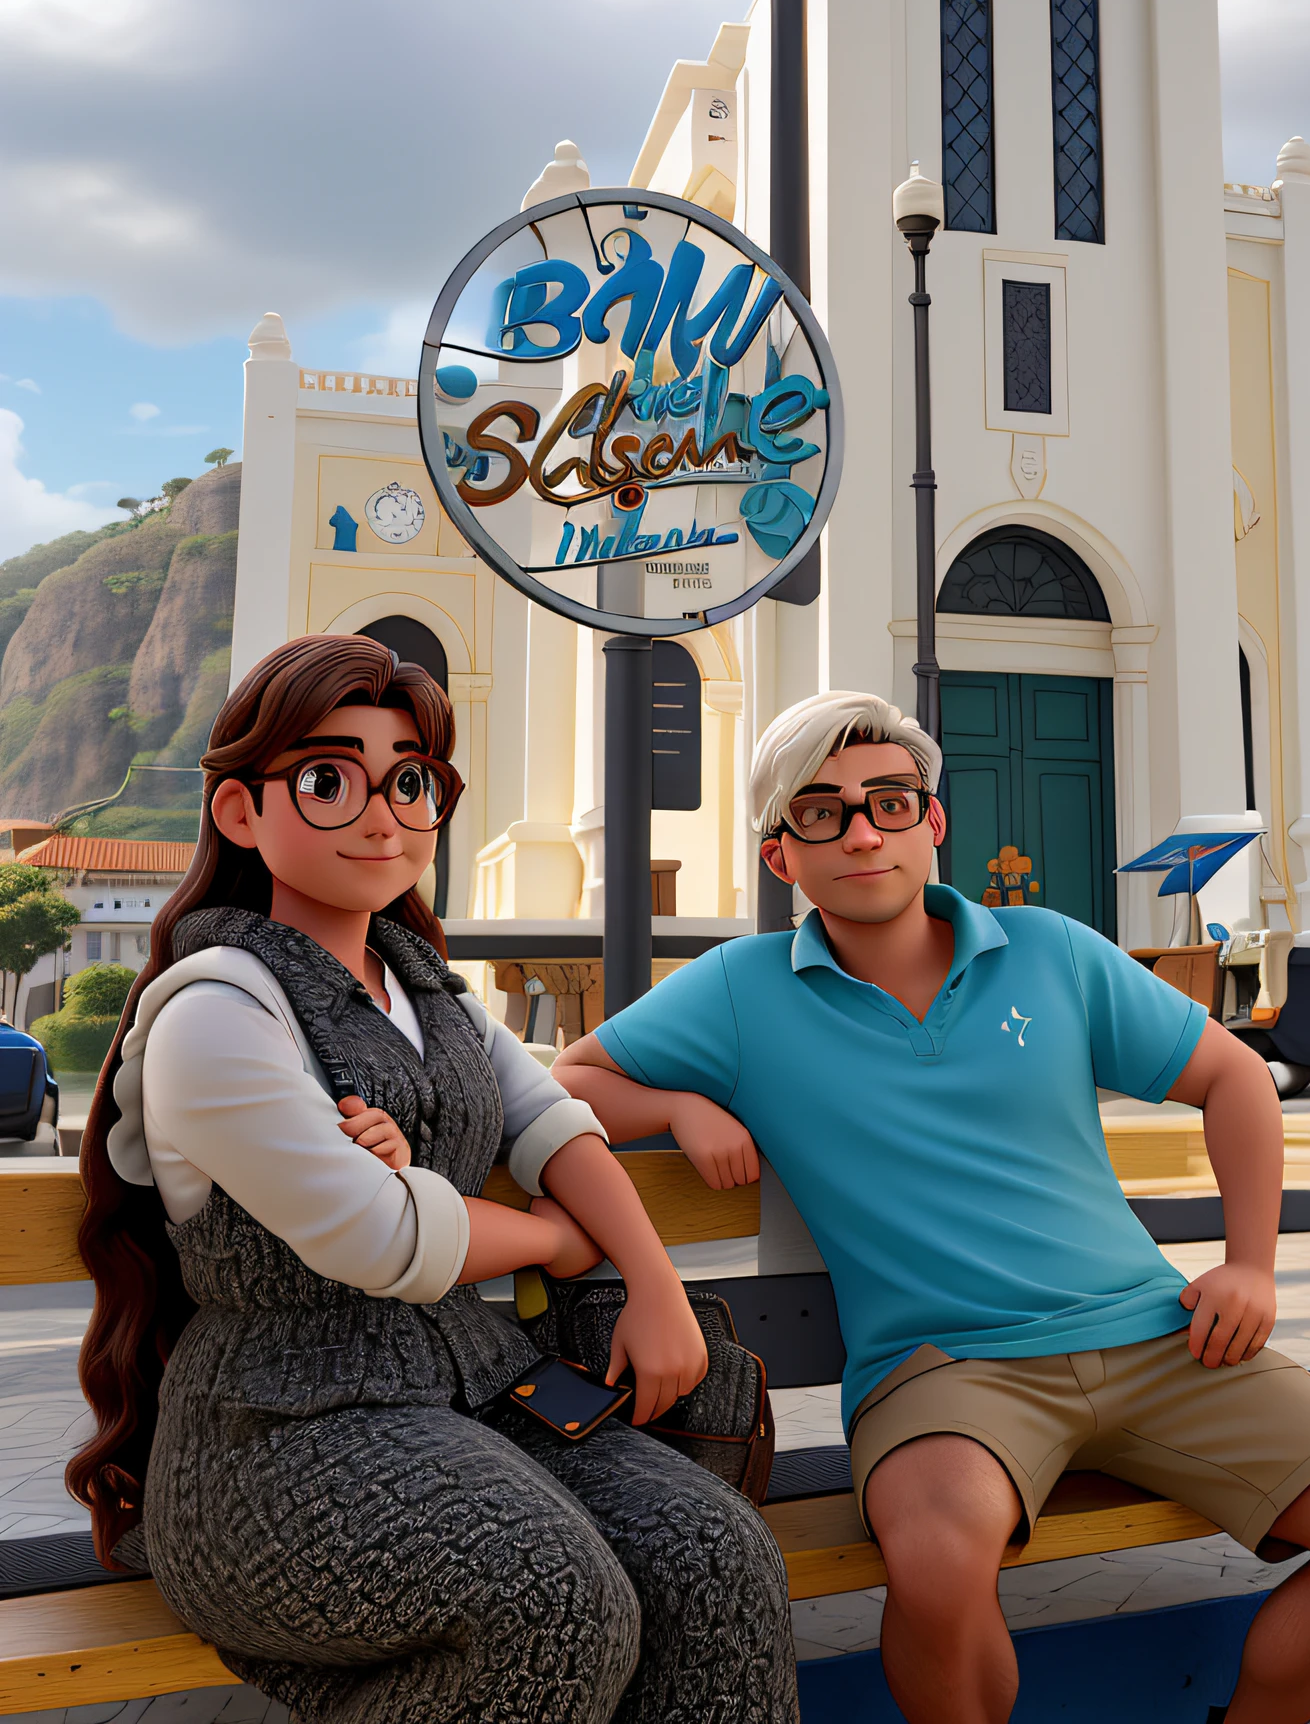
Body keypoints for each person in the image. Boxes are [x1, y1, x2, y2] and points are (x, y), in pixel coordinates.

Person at [555, 690, 1310, 1724]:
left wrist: (1252, 1264)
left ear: (933, 822)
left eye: (888, 800)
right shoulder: (742, 990)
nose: (861, 830)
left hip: (1162, 1337)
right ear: (779, 855)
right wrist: (677, 1101)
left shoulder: (1049, 950)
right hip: (944, 1367)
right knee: (936, 1564)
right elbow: (566, 1079)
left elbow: (1235, 1078)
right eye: (821, 810)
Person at [70, 634, 797, 1724]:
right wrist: (553, 1240)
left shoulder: (435, 994)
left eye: (409, 781)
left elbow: (558, 1120)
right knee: (549, 1597)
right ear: (238, 812)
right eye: (329, 780)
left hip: (476, 1385)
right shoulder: (215, 1011)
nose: (383, 814)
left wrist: (646, 1274)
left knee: (711, 1553)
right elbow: (378, 1234)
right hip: (277, 1435)